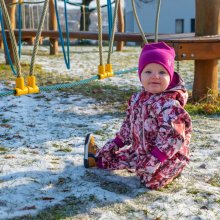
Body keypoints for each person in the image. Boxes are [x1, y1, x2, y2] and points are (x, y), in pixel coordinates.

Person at [84, 42, 192, 190]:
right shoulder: (137, 99)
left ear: (170, 75)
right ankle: (95, 157)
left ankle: (176, 169)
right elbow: (129, 123)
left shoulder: (170, 106)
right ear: (140, 75)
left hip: (166, 156)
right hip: (140, 151)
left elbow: (173, 139)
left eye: (162, 72)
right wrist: (117, 142)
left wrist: (155, 159)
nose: (155, 76)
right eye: (148, 72)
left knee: (150, 181)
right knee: (108, 159)